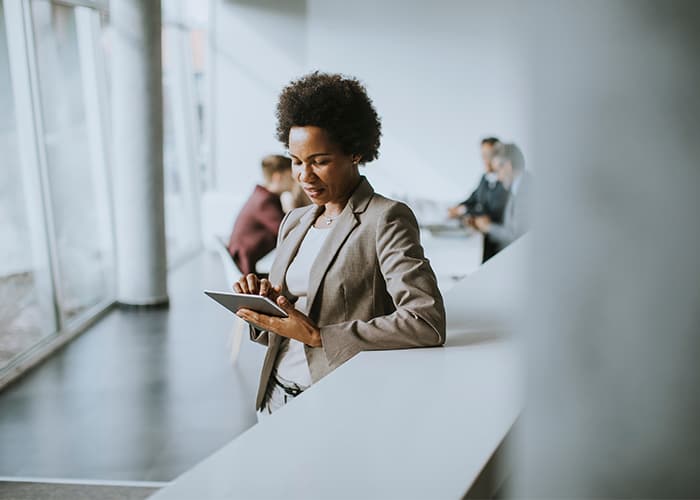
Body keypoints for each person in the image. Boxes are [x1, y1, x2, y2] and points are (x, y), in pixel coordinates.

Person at [232, 72, 446, 415]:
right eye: (297, 161)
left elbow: (426, 322)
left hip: (335, 401)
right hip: (274, 398)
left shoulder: (385, 219)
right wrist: (264, 306)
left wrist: (320, 336)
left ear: (355, 153)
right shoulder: (295, 222)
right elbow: (286, 324)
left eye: (320, 161)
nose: (305, 175)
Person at [227, 155, 294, 276]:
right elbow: (288, 233)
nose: (295, 180)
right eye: (291, 175)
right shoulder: (265, 201)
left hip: (245, 264)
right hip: (246, 270)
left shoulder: (262, 196)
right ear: (278, 177)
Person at [448, 137, 510, 262]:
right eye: (483, 155)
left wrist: (464, 211)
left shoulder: (506, 182)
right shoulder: (484, 178)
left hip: (500, 244)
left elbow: (489, 213)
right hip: (485, 240)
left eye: (489, 155)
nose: (485, 160)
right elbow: (473, 199)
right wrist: (458, 208)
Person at [468, 142, 531, 253]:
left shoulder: (526, 190)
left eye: (497, 171)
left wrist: (488, 227)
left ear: (508, 166)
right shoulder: (517, 187)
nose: (498, 177)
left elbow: (516, 237)